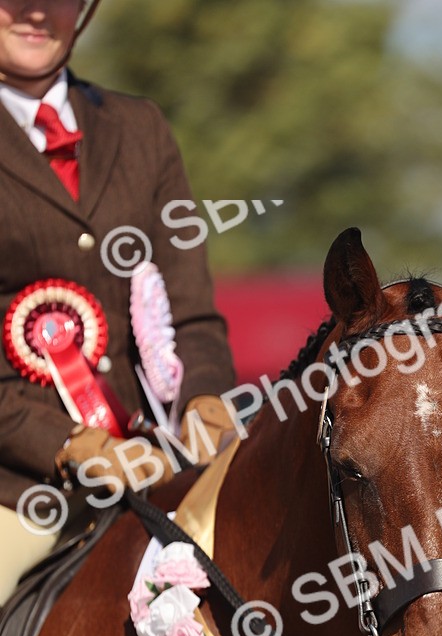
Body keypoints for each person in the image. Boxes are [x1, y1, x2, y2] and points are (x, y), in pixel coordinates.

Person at [0, 0, 237, 604]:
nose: (34, 13)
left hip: (156, 466)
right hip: (18, 486)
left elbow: (192, 313)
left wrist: (206, 402)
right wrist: (71, 444)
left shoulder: (141, 127)